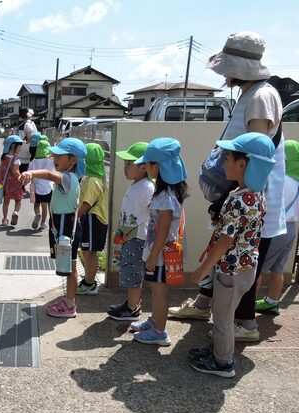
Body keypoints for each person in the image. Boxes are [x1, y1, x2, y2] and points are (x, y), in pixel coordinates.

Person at [169, 31, 286, 343]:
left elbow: (256, 152)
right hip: (237, 197)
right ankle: (203, 304)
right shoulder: (252, 93)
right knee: (223, 253)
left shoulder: (260, 97)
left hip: (247, 200)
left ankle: (243, 326)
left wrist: (236, 198)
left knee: (238, 261)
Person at [189, 133, 276, 377]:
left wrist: (202, 270)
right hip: (246, 267)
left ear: (243, 164)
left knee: (223, 318)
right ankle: (219, 351)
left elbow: (225, 241)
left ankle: (222, 362)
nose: (224, 163)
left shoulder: (239, 200)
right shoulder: (255, 195)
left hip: (231, 270)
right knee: (224, 315)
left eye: (228, 158)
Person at [129, 138, 188, 346]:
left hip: (161, 253)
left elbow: (162, 229)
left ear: (158, 167)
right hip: (160, 250)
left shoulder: (164, 196)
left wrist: (153, 255)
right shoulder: (170, 192)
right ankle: (155, 321)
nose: (145, 167)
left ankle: (160, 332)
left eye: (148, 164)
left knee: (159, 290)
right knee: (156, 288)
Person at [20, 137, 87, 318]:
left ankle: (70, 305)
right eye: (54, 154)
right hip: (61, 225)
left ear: (72, 160)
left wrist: (31, 174)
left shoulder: (67, 178)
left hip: (66, 228)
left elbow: (49, 175)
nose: (54, 158)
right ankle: (67, 299)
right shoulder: (69, 177)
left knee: (70, 267)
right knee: (66, 265)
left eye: (59, 155)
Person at [255, 140, 299, 315]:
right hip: (291, 228)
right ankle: (272, 302)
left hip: (275, 229)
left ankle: (246, 308)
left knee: (257, 269)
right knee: (278, 268)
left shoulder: (279, 179)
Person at [107, 141, 154, 321]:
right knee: (128, 271)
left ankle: (132, 308)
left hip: (138, 237)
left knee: (133, 272)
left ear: (143, 167)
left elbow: (153, 213)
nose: (125, 168)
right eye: (125, 164)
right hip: (129, 235)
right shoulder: (136, 184)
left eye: (129, 164)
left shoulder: (147, 187)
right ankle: (131, 303)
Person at [76, 143, 109, 296]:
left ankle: (89, 283)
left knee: (88, 252)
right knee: (90, 252)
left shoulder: (91, 181)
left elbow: (86, 204)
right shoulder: (100, 177)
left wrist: (75, 217)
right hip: (98, 220)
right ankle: (89, 279)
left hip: (92, 219)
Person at [0, 134, 24, 226]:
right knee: (18, 199)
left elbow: (0, 170)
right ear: (13, 146)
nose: (20, 148)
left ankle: (5, 219)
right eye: (19, 146)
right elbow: (15, 171)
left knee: (6, 201)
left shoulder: (3, 157)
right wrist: (22, 178)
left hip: (5, 183)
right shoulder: (16, 159)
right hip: (15, 183)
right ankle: (15, 212)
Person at [27, 137, 53, 230]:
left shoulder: (33, 161)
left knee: (36, 204)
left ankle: (37, 214)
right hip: (47, 187)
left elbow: (29, 173)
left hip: (35, 187)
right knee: (45, 205)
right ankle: (43, 222)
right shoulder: (50, 160)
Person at [17, 108, 37, 173]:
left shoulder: (21, 124)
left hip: (21, 147)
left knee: (21, 166)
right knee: (26, 167)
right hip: (27, 147)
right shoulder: (28, 124)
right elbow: (29, 138)